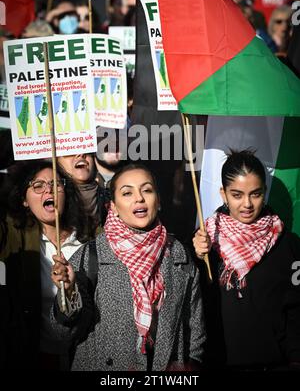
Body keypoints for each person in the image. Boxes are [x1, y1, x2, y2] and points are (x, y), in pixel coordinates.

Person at [51, 164, 206, 371]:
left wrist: (188, 367)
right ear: (113, 206)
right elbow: (63, 334)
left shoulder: (179, 255)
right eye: (127, 193)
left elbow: (195, 331)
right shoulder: (90, 257)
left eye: (147, 190)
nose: (139, 198)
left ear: (158, 201)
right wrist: (68, 293)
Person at [193, 150, 300, 370]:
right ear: (223, 194)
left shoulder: (288, 244)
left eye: (255, 193)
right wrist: (195, 257)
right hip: (218, 364)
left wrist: (296, 359)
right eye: (237, 194)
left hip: (274, 363)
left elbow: (296, 310)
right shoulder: (205, 241)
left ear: (265, 192)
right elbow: (193, 305)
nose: (247, 204)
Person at [0, 160, 92, 370]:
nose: (48, 190)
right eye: (37, 186)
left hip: (85, 355)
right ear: (24, 199)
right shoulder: (13, 237)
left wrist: (71, 291)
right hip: (34, 355)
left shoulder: (90, 236)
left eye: (55, 184)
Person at [57, 153, 103, 232]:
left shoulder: (112, 199)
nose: (80, 154)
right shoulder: (52, 203)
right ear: (56, 161)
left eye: (87, 151)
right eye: (70, 150)